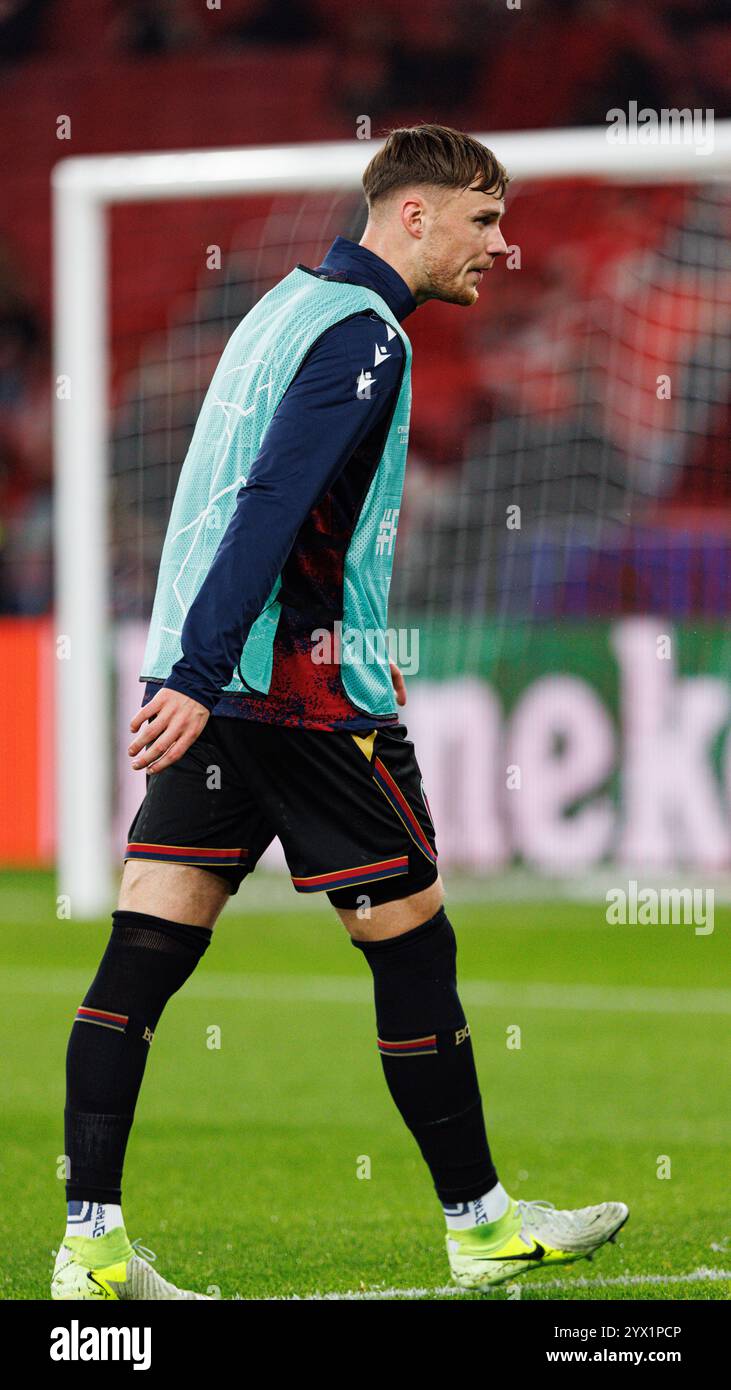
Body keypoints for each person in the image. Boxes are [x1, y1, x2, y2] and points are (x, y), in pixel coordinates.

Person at [52, 123, 628, 1300]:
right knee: (413, 944)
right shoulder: (363, 337)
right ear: (411, 215)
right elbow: (272, 499)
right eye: (481, 222)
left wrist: (195, 669)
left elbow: (237, 500)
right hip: (302, 701)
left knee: (142, 955)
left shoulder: (279, 307)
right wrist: (206, 670)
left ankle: (91, 1248)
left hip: (229, 692)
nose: (500, 246)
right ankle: (477, 1225)